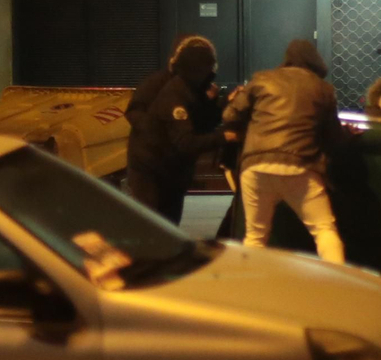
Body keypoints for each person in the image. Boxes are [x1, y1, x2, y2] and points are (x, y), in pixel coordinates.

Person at [221, 39, 345, 263]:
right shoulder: (323, 89)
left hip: (256, 165)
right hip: (301, 166)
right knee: (324, 229)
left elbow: (230, 116)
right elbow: (334, 137)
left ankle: (250, 288)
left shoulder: (262, 80)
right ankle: (336, 283)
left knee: (255, 236)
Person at [127, 41, 230, 224]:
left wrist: (217, 105)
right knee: (152, 223)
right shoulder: (169, 88)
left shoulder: (192, 88)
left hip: (172, 166)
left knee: (168, 223)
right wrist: (158, 135)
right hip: (152, 164)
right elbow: (185, 139)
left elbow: (200, 122)